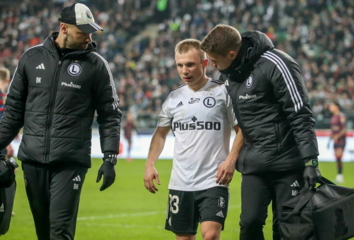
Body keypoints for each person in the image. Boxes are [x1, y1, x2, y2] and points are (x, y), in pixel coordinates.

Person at [0, 3, 122, 240]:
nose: (88, 37)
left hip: (70, 162)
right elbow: (13, 112)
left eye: (91, 31)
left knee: (60, 231)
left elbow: (109, 115)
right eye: (82, 31)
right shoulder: (31, 58)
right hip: (33, 160)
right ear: (64, 28)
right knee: (43, 232)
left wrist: (110, 157)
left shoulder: (97, 65)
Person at [200, 24, 322, 240]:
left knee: (288, 230)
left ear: (231, 53)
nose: (212, 65)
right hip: (254, 165)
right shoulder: (229, 75)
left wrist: (310, 161)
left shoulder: (277, 63)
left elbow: (300, 114)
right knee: (249, 223)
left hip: (288, 164)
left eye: (215, 60)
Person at [143, 39, 243, 240]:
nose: (184, 70)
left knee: (210, 235)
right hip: (181, 183)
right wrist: (150, 164)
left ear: (204, 64)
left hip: (214, 180)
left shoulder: (223, 92)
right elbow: (160, 134)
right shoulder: (173, 98)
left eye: (190, 64)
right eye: (180, 65)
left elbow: (242, 129)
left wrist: (231, 159)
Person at [329, 101, 347, 183]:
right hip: (335, 140)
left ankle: (340, 176)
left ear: (337, 107)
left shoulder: (341, 116)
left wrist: (337, 136)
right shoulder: (333, 117)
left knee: (339, 156)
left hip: (341, 140)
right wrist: (331, 137)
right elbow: (333, 129)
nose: (330, 108)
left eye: (332, 106)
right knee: (337, 157)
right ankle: (339, 175)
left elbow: (344, 129)